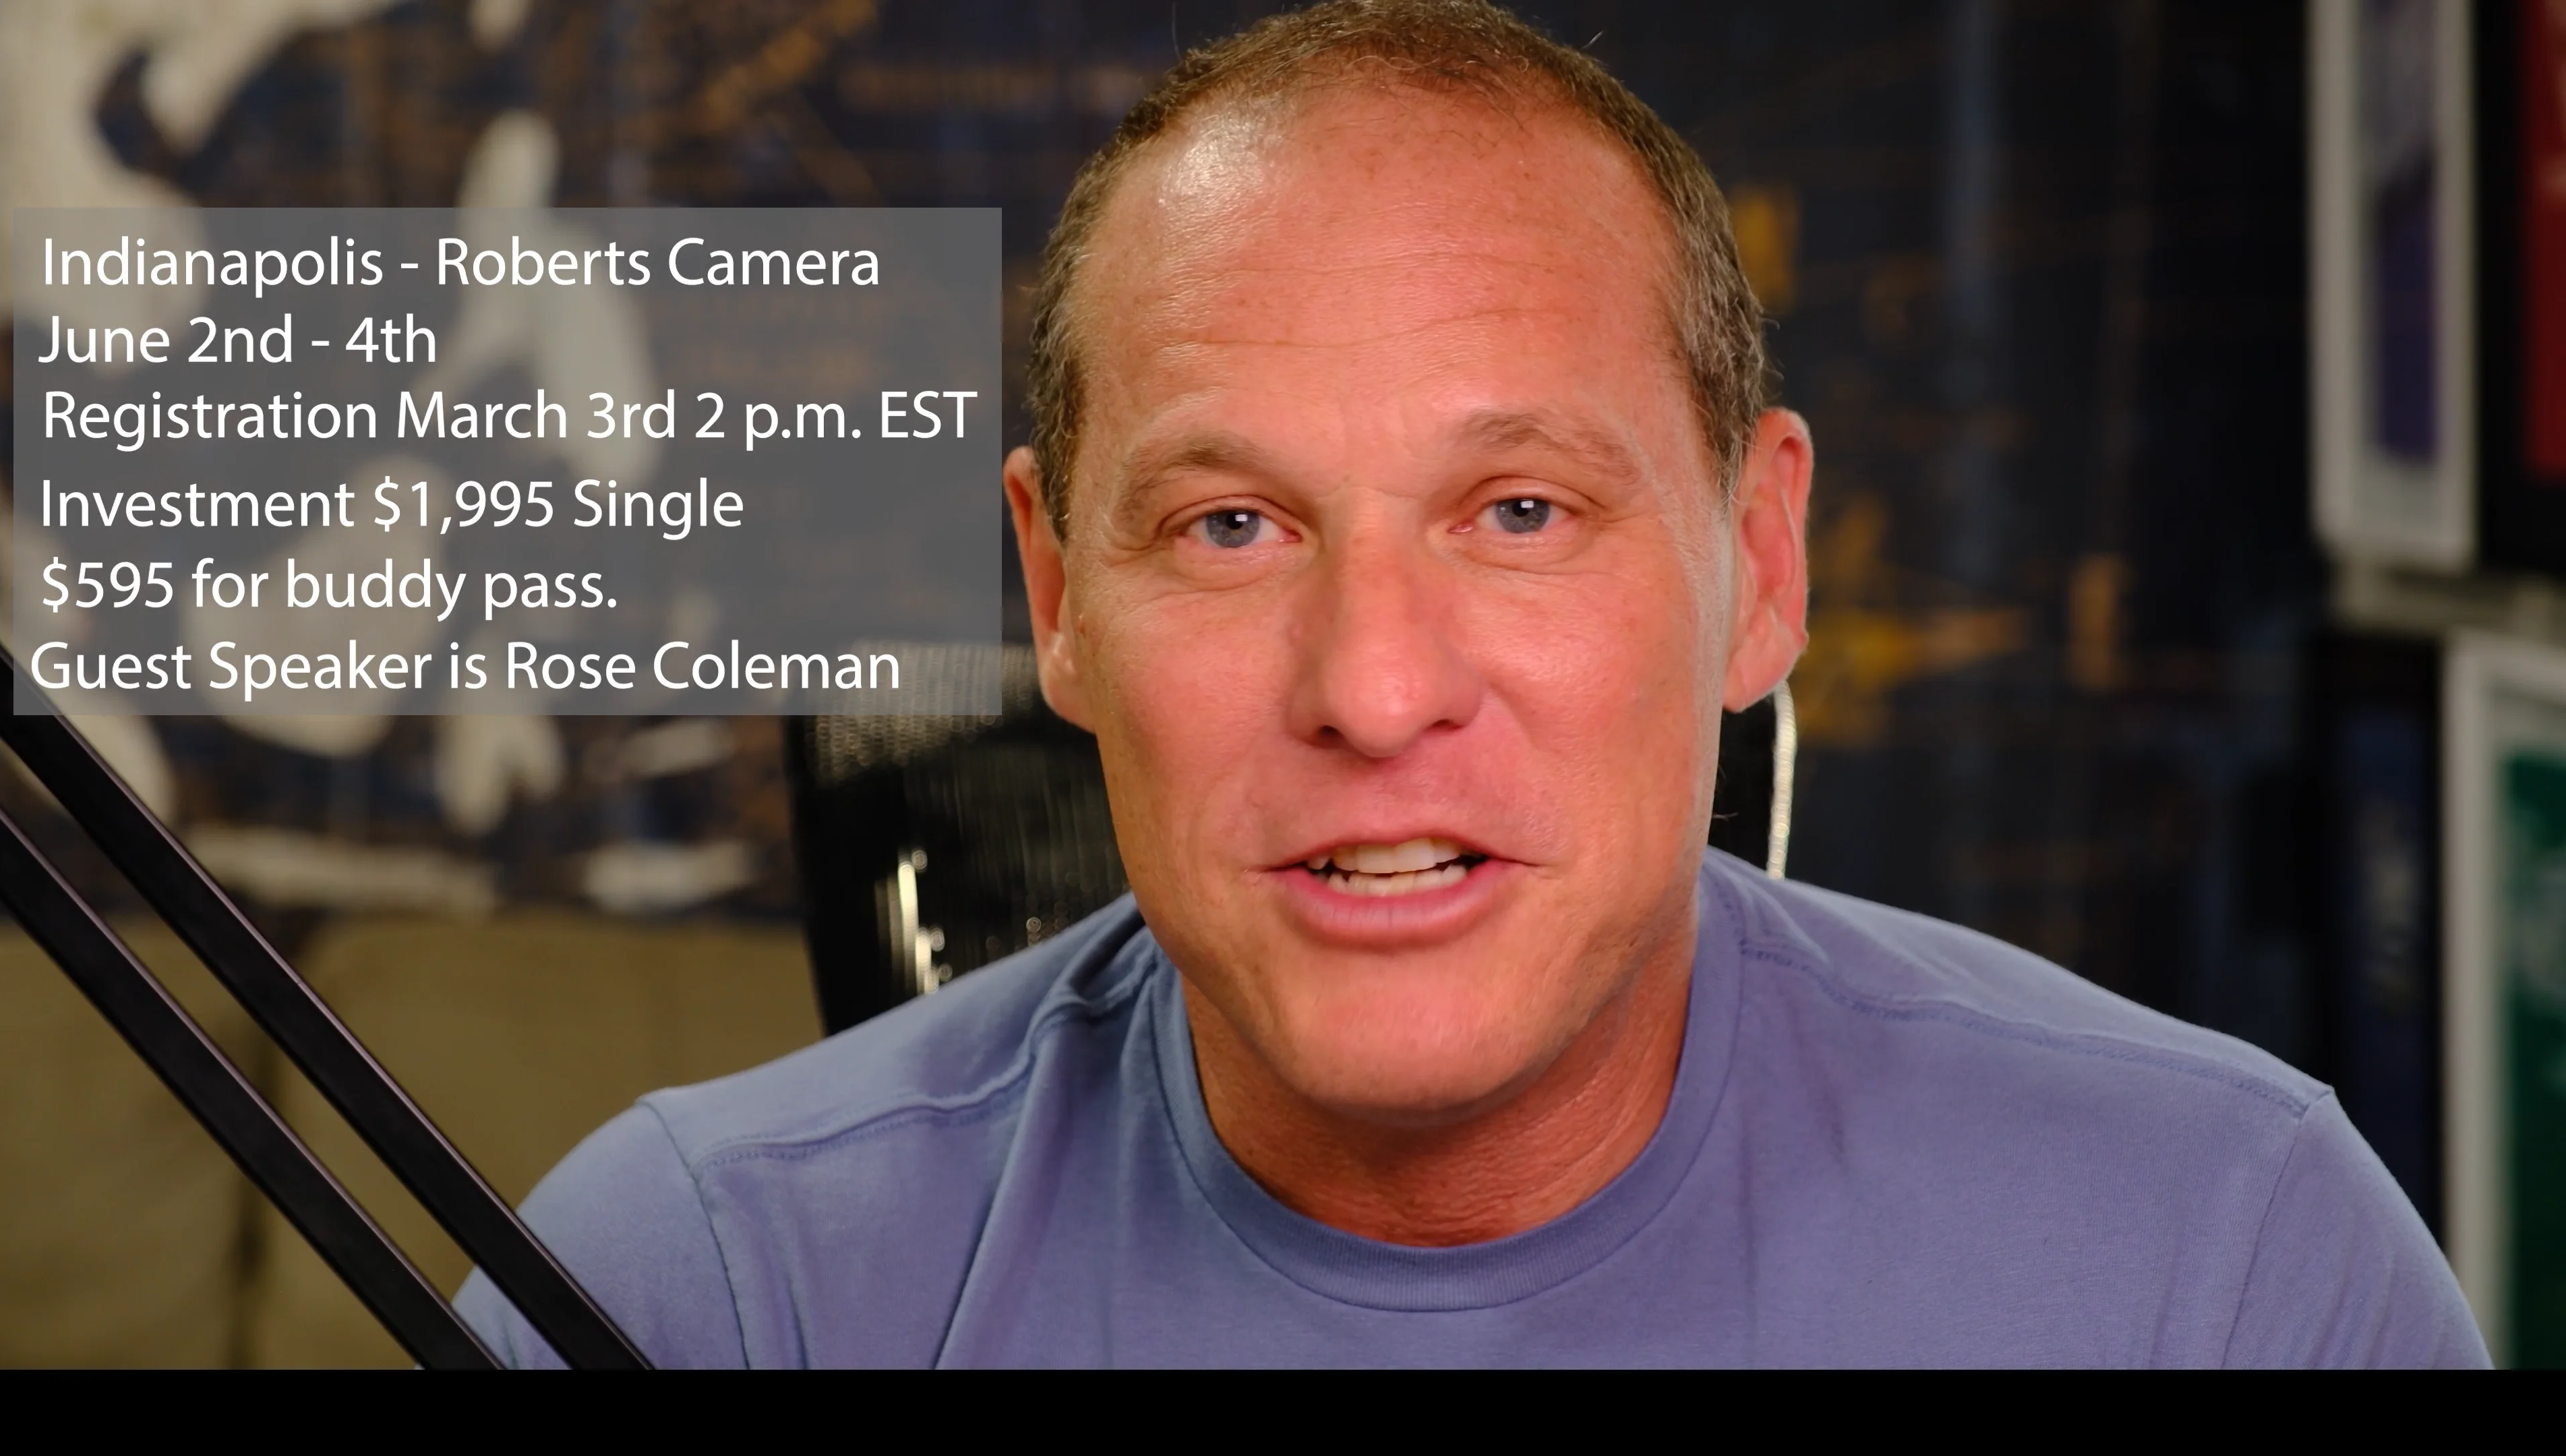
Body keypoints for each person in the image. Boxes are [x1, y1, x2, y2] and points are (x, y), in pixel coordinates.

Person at [458, 0, 2485, 1366]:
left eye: (1520, 511)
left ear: (1761, 569)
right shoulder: (693, 1293)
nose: (1373, 686)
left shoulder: (2229, 1269)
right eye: (1231, 526)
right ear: (1058, 594)